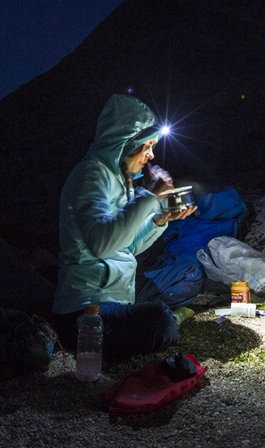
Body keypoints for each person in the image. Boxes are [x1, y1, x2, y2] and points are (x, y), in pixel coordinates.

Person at [52, 94, 197, 361]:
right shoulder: (91, 175)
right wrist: (150, 197)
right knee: (158, 322)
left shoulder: (123, 178)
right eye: (147, 146)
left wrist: (159, 220)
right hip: (89, 308)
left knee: (189, 272)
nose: (151, 155)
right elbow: (102, 244)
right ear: (126, 144)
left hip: (123, 292)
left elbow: (127, 246)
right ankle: (167, 317)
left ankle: (149, 313)